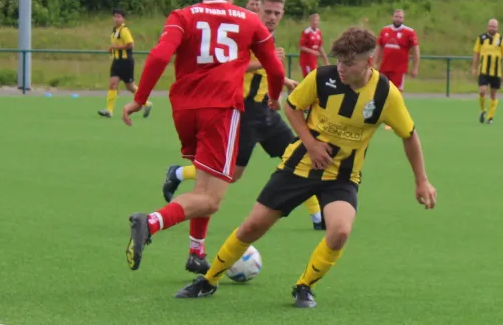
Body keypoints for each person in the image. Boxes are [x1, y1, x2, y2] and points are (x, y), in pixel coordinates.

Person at [174, 27, 437, 308]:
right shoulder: (323, 78)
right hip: (298, 167)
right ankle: (209, 280)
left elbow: (409, 135)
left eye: (349, 63)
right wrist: (310, 143)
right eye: (339, 61)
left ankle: (304, 286)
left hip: (343, 176)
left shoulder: (386, 94)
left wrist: (422, 181)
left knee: (340, 231)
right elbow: (292, 106)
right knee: (253, 226)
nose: (341, 68)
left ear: (369, 62)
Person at [122, 0, 286, 272]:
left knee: (204, 184)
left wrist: (139, 99)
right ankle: (151, 222)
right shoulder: (250, 20)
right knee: (211, 199)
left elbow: (159, 56)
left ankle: (196, 252)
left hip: (184, 111)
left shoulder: (181, 16)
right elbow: (275, 68)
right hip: (220, 110)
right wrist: (275, 97)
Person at [161, 0, 325, 276]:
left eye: (277, 13)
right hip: (244, 113)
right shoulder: (244, 30)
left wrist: (283, 80)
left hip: (267, 113)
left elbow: (265, 69)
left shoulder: (266, 36)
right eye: (267, 12)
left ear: (282, 14)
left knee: (300, 152)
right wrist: (268, 62)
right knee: (230, 175)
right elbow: (230, 66)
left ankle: (317, 216)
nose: (272, 17)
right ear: (257, 10)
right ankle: (179, 174)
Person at [98, 8, 153, 119]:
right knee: (113, 84)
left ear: (123, 19)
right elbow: (116, 45)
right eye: (115, 16)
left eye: (119, 16)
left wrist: (115, 47)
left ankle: (147, 103)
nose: (116, 19)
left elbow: (130, 44)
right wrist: (111, 49)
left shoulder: (124, 30)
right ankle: (109, 110)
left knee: (130, 87)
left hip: (126, 62)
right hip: (116, 62)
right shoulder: (114, 31)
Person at [471, 19, 503, 124]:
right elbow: (476, 53)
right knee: (482, 91)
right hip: (483, 71)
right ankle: (483, 110)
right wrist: (474, 68)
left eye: (494, 26)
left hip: (496, 72)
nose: (492, 28)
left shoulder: (502, 39)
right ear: (487, 26)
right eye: (491, 26)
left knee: (493, 95)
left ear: (497, 28)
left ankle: (490, 116)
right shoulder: (481, 38)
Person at [298, 13, 329, 77]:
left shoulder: (318, 32)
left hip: (314, 61)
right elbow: (301, 47)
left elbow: (320, 46)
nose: (315, 22)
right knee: (309, 79)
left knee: (315, 79)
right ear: (310, 22)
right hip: (306, 61)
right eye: (313, 20)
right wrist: (313, 51)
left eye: (317, 20)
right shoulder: (306, 32)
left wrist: (326, 60)